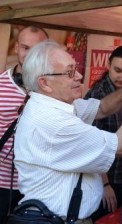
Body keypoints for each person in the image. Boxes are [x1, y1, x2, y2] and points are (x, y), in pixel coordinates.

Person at [13, 40, 122, 222]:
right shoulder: (54, 123)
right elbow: (119, 146)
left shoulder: (51, 104)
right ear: (44, 83)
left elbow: (102, 108)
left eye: (76, 68)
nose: (80, 75)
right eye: (69, 72)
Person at [0, 25, 48, 223]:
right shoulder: (0, 86)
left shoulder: (57, 88)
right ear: (17, 48)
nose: (30, 55)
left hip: (39, 185)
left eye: (37, 49)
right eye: (26, 48)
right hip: (2, 185)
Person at [84, 45, 122, 221]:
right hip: (105, 179)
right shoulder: (98, 94)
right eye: (118, 70)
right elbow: (89, 142)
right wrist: (104, 183)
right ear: (108, 66)